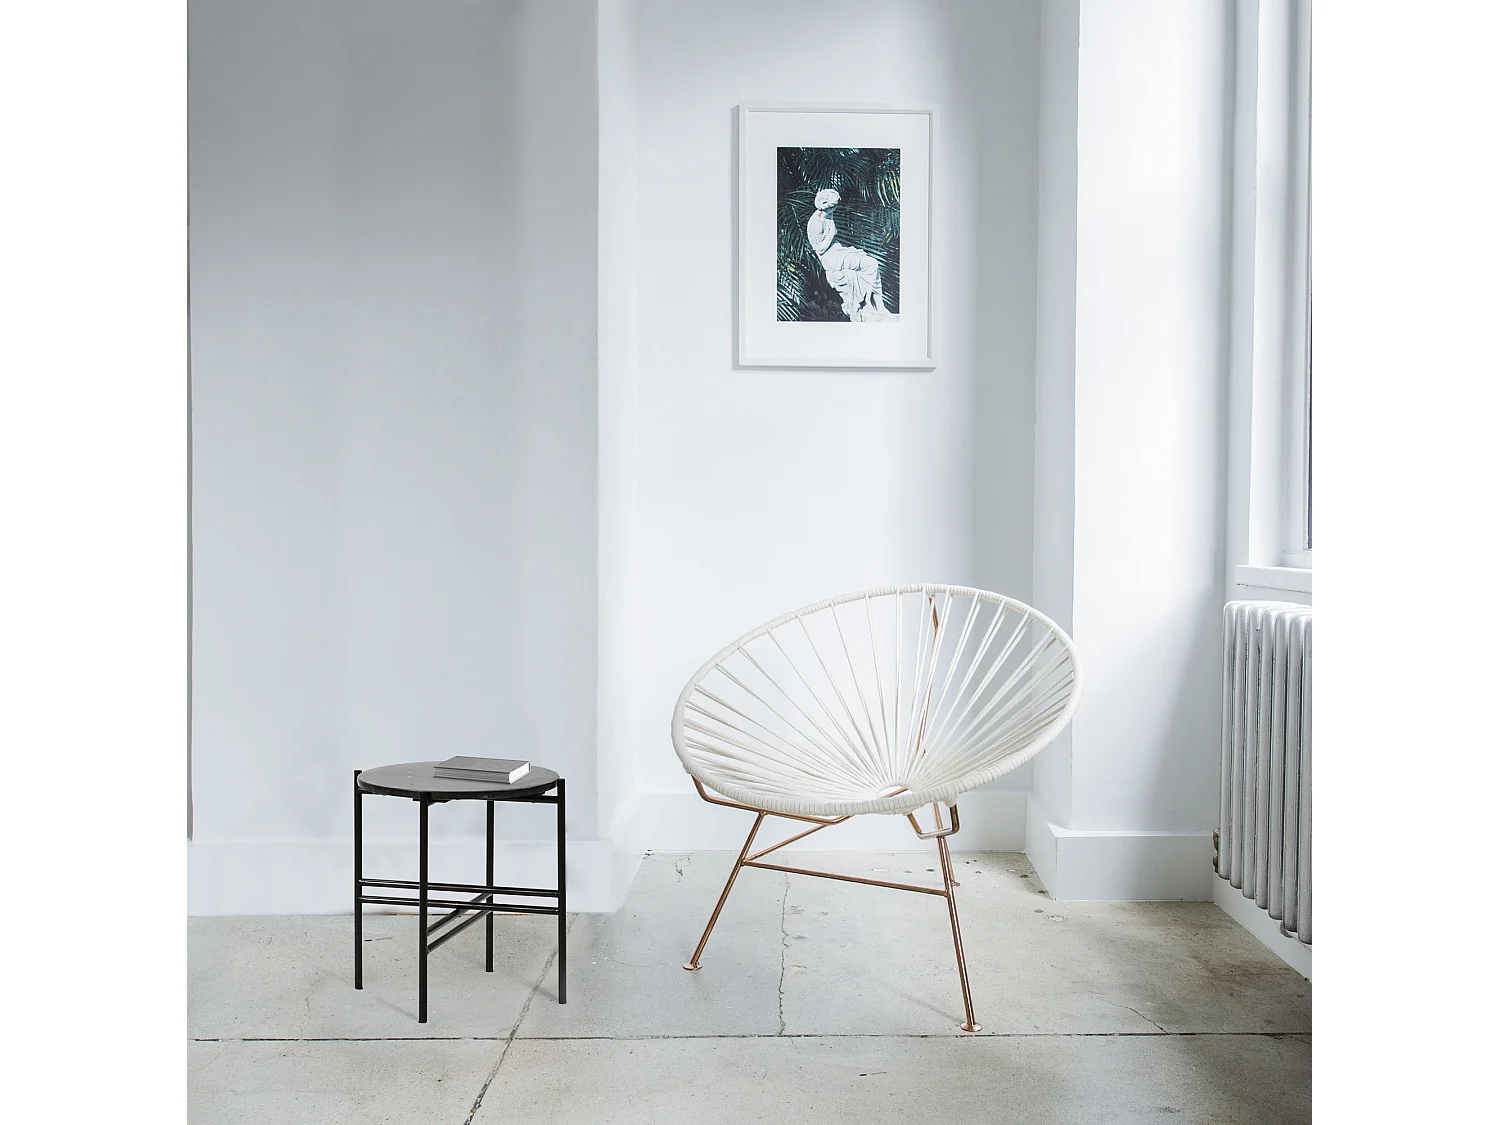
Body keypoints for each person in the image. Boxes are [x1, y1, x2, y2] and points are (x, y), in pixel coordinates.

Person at [805, 189, 895, 321]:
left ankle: (878, 304)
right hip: (831, 258)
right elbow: (819, 249)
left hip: (838, 251)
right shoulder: (816, 224)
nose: (836, 208)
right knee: (871, 264)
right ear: (828, 205)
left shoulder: (827, 214)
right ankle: (873, 304)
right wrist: (831, 233)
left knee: (871, 263)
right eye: (834, 205)